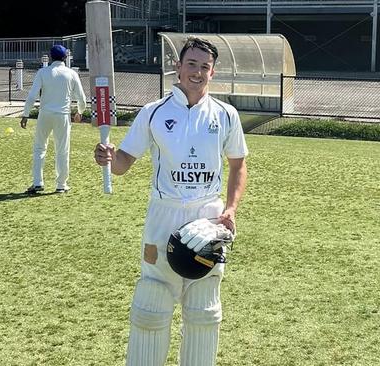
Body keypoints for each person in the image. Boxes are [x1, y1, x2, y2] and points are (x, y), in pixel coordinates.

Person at [94, 37, 248, 365]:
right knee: (151, 305)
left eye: (204, 67)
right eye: (191, 64)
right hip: (163, 216)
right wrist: (108, 158)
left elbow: (238, 164)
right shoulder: (153, 112)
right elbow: (123, 163)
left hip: (208, 216)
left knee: (203, 310)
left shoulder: (226, 114)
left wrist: (231, 209)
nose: (197, 72)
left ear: (212, 73)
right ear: (177, 68)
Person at [20, 45, 87, 194]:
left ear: (50, 57)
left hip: (44, 114)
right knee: (62, 150)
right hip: (62, 116)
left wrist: (25, 114)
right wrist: (80, 112)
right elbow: (81, 98)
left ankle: (38, 182)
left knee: (39, 148)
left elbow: (32, 95)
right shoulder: (71, 74)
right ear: (65, 57)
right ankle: (61, 184)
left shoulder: (43, 72)